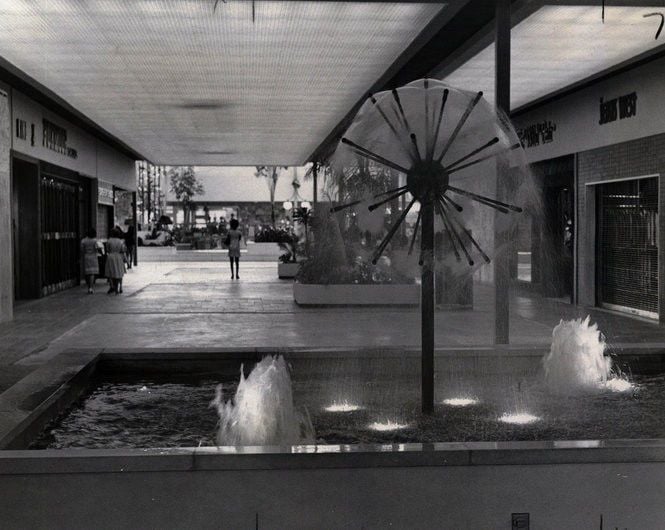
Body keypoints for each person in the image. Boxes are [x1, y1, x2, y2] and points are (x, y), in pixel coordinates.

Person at [105, 228, 126, 294]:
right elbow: (123, 250)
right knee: (119, 272)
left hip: (111, 256)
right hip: (118, 256)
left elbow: (107, 250)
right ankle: (120, 287)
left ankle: (112, 286)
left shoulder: (109, 241)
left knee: (111, 272)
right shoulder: (121, 241)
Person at [80, 228, 99, 294]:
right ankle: (90, 287)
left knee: (87, 272)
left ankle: (88, 286)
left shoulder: (83, 241)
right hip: (93, 257)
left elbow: (82, 250)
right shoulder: (95, 241)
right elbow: (96, 249)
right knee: (92, 273)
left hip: (86, 257)